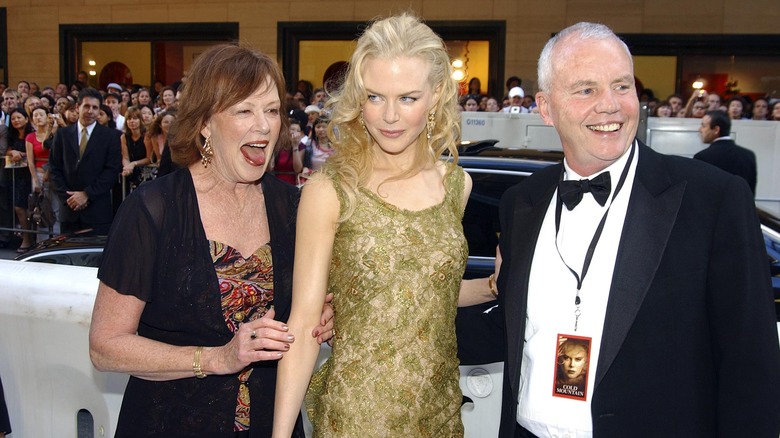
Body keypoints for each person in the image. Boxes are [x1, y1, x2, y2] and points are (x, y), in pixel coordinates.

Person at [495, 22, 780, 437]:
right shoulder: (521, 203)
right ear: (546, 106)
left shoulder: (712, 200)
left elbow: (750, 367)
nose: (610, 105)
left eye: (622, 86)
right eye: (586, 89)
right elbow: (508, 326)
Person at [88, 44, 335, 437]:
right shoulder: (154, 208)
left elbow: (307, 311)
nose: (264, 126)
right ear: (204, 123)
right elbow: (105, 346)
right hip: (167, 423)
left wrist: (322, 317)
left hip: (272, 424)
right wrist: (216, 358)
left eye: (272, 110)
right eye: (243, 110)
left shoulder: (295, 207)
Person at [273, 14, 474, 437]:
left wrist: (494, 285)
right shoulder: (331, 189)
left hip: (439, 416)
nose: (389, 116)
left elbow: (425, 289)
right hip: (357, 418)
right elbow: (304, 324)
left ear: (436, 95)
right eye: (375, 97)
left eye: (407, 98)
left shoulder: (457, 185)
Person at [49, 87, 122, 235]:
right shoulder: (62, 135)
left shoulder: (111, 137)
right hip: (69, 211)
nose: (90, 111)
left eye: (95, 108)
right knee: (67, 255)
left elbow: (111, 171)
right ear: (78, 107)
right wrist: (69, 198)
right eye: (86, 106)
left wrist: (87, 195)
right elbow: (54, 169)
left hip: (97, 211)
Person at [694, 109, 757, 194]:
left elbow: (699, 192)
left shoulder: (702, 157)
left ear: (716, 130)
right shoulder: (748, 155)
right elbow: (750, 193)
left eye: (704, 126)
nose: (700, 129)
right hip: (741, 206)